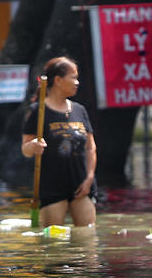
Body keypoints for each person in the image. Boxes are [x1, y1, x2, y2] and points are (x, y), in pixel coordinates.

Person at [21, 57, 97, 227]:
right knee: (53, 244)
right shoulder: (38, 111)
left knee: (87, 239)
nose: (77, 82)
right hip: (52, 187)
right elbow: (25, 149)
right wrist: (32, 146)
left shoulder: (80, 110)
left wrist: (89, 178)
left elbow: (90, 147)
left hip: (81, 185)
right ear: (57, 80)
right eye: (73, 77)